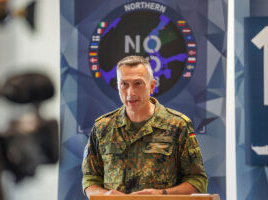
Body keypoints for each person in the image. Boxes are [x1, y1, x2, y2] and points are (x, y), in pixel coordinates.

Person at [82, 56, 208, 198]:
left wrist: (161, 195)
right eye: (124, 84)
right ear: (118, 87)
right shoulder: (102, 128)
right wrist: (106, 195)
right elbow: (90, 179)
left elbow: (197, 181)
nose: (130, 92)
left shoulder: (177, 125)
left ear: (152, 86)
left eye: (138, 84)